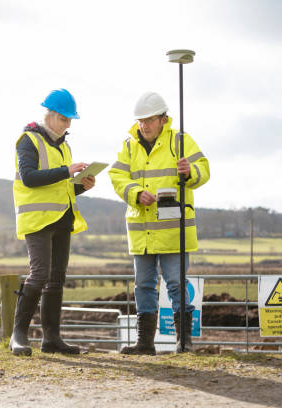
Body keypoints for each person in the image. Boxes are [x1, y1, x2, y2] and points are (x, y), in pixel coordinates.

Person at [108, 91, 210, 354]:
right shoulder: (129, 145)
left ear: (163, 119)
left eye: (150, 120)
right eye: (141, 120)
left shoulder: (181, 141)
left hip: (173, 230)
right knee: (143, 285)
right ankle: (144, 344)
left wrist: (192, 171)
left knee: (176, 284)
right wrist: (134, 192)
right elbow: (117, 175)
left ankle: (184, 342)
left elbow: (204, 169)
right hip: (142, 231)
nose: (145, 125)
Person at [10, 88, 95, 356]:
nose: (68, 125)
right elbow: (29, 178)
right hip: (37, 219)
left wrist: (81, 186)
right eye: (64, 119)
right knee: (40, 275)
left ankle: (52, 339)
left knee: (57, 279)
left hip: (62, 218)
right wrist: (66, 171)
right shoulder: (28, 140)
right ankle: (18, 335)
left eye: (70, 120)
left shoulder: (64, 146)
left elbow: (61, 187)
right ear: (51, 115)